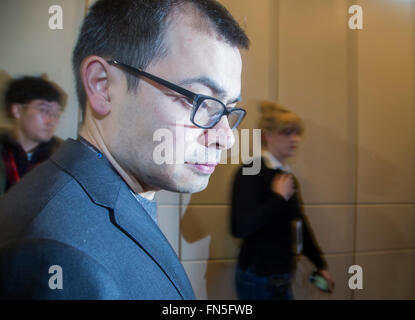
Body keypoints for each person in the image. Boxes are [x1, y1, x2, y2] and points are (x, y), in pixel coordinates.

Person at [0, 0, 249, 299]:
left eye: (229, 110)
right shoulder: (58, 253)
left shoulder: (115, 195)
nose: (227, 138)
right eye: (199, 100)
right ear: (103, 86)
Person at [231, 101, 334, 300]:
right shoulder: (251, 171)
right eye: (287, 132)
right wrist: (278, 198)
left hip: (282, 276)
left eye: (297, 133)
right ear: (268, 136)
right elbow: (240, 228)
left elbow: (300, 224)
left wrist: (320, 264)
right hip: (259, 278)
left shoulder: (286, 176)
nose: (295, 139)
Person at [0, 76, 64, 195]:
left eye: (57, 114)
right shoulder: (4, 153)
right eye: (45, 110)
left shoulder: (64, 156)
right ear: (17, 110)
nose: (52, 121)